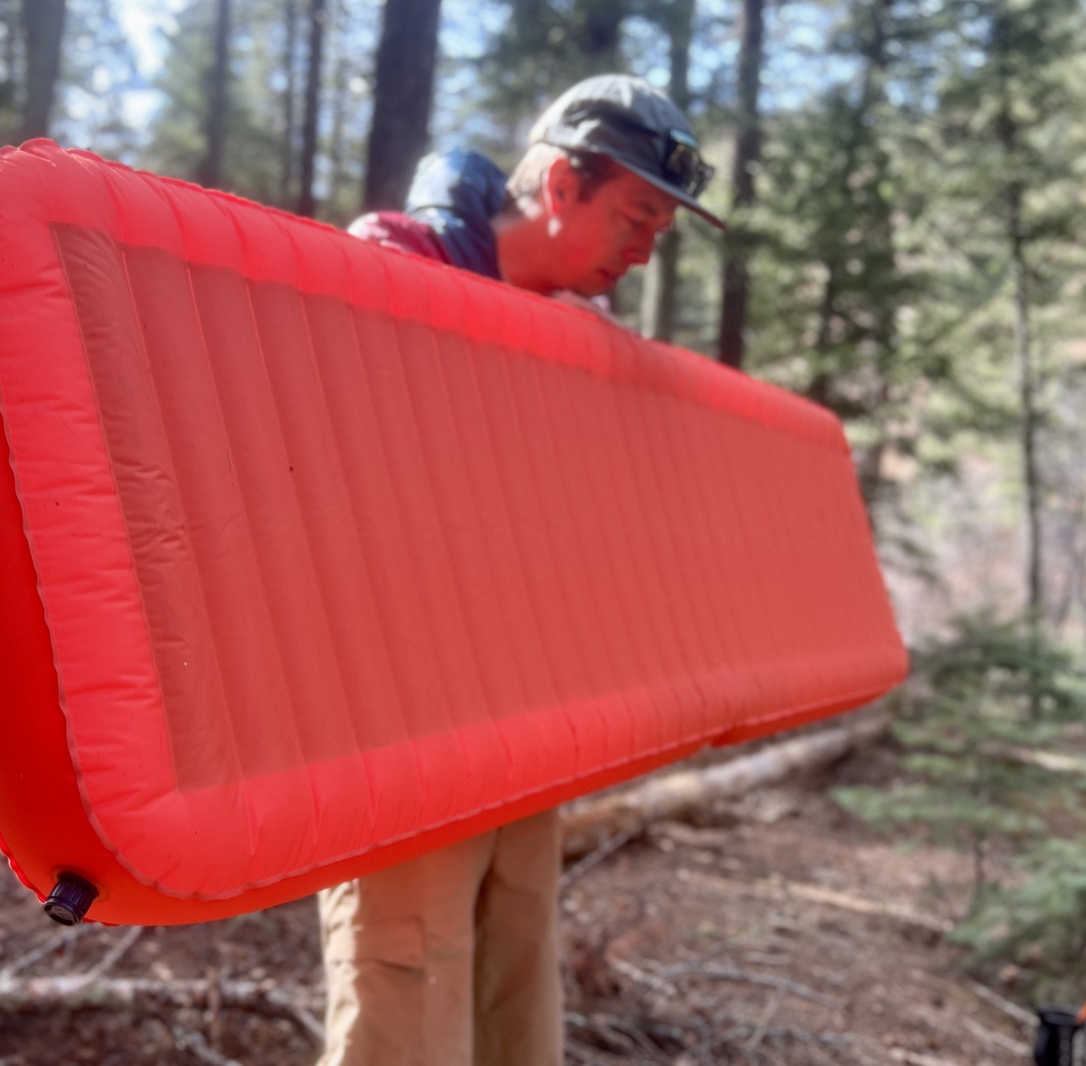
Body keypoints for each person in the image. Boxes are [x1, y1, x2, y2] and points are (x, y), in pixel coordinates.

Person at [319, 73, 722, 1066]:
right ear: (559, 189)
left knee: (516, 1018)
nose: (645, 244)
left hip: (517, 737)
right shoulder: (392, 271)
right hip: (402, 730)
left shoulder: (571, 335)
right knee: (404, 1021)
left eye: (660, 228)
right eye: (634, 215)